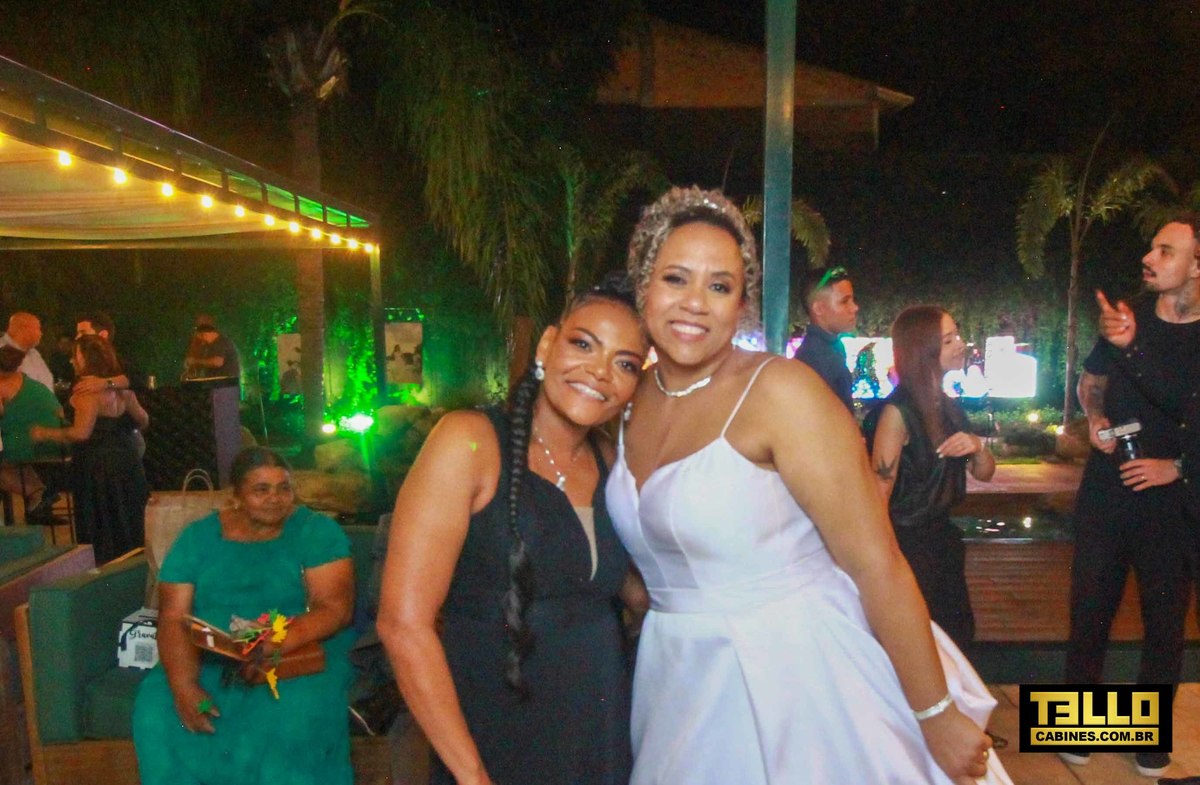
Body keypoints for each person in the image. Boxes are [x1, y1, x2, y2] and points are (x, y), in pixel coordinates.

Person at [609, 186, 1007, 784]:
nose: (695, 303)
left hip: (797, 677)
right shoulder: (624, 400)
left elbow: (876, 563)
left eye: (719, 286)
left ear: (742, 303)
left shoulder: (781, 392)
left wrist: (936, 714)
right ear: (643, 285)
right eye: (675, 279)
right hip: (676, 678)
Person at [377, 278, 650, 785]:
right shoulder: (470, 442)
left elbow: (626, 590)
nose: (600, 371)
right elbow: (402, 625)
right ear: (547, 345)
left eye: (626, 363)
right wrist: (471, 775)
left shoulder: (612, 463)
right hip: (495, 732)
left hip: (600, 730)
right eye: (583, 344)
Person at [132, 446, 356, 785]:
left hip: (292, 652)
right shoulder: (198, 538)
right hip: (209, 655)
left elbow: (335, 608)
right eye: (261, 490)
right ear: (235, 496)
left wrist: (277, 639)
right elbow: (174, 617)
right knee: (157, 712)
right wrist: (184, 685)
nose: (275, 499)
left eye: (284, 488)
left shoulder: (316, 532)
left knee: (287, 714)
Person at [1078, 214, 1200, 777]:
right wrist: (1094, 417)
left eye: (1166, 251)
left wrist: (1176, 465)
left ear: (1197, 266)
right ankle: (1074, 730)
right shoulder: (1126, 315)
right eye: (1151, 247)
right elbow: (1091, 382)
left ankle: (1149, 742)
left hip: (1171, 499)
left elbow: (1183, 405)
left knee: (1164, 624)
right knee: (1089, 610)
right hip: (1107, 487)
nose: (1149, 259)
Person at [862, 306, 996, 651]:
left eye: (957, 336)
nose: (960, 345)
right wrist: (881, 559)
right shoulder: (898, 412)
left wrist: (978, 446)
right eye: (948, 340)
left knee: (956, 635)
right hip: (908, 543)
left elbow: (984, 473)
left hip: (942, 539)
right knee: (918, 641)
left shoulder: (948, 407)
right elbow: (879, 489)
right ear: (924, 350)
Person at [31, 335, 149, 563]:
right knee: (128, 517)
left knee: (102, 521)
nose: (72, 361)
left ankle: (104, 567)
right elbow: (143, 420)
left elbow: (81, 433)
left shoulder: (86, 391)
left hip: (97, 464)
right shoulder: (124, 390)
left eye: (75, 355)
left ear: (86, 358)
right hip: (127, 459)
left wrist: (45, 433)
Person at [0, 345, 64, 518]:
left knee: (4, 456)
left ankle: (36, 493)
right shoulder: (30, 382)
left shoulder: (1, 385)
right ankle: (39, 494)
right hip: (60, 441)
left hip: (33, 440)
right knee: (11, 456)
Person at [794, 265, 859, 412]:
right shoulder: (816, 359)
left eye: (853, 300)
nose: (854, 307)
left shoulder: (829, 348)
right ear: (819, 309)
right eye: (844, 301)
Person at [1, 312, 53, 392]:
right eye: (37, 329)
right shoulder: (2, 349)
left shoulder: (34, 353)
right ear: (21, 329)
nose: (41, 334)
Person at [184, 314, 241, 381]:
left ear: (203, 335)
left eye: (200, 339)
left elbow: (217, 362)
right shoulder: (211, 345)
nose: (201, 342)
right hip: (218, 383)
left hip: (225, 383)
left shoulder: (221, 342)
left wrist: (195, 361)